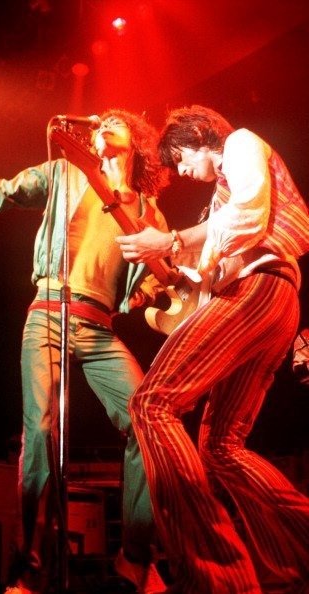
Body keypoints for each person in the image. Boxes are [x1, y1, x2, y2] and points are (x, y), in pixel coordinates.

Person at [0, 109, 170, 594]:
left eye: (114, 118)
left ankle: (136, 556)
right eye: (98, 120)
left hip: (99, 327)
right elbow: (2, 192)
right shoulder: (65, 174)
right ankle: (30, 569)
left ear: (135, 139)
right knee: (43, 433)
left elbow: (157, 282)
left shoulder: (148, 211)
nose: (101, 122)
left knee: (147, 421)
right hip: (49, 313)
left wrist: (154, 293)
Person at [116, 105, 309, 593]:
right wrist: (169, 274)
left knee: (152, 403)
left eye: (180, 158)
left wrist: (172, 239)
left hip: (258, 290)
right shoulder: (214, 203)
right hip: (275, 302)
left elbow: (248, 213)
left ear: (201, 138)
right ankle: (296, 560)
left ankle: (218, 577)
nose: (181, 171)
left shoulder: (240, 143)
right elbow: (210, 270)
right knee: (221, 447)